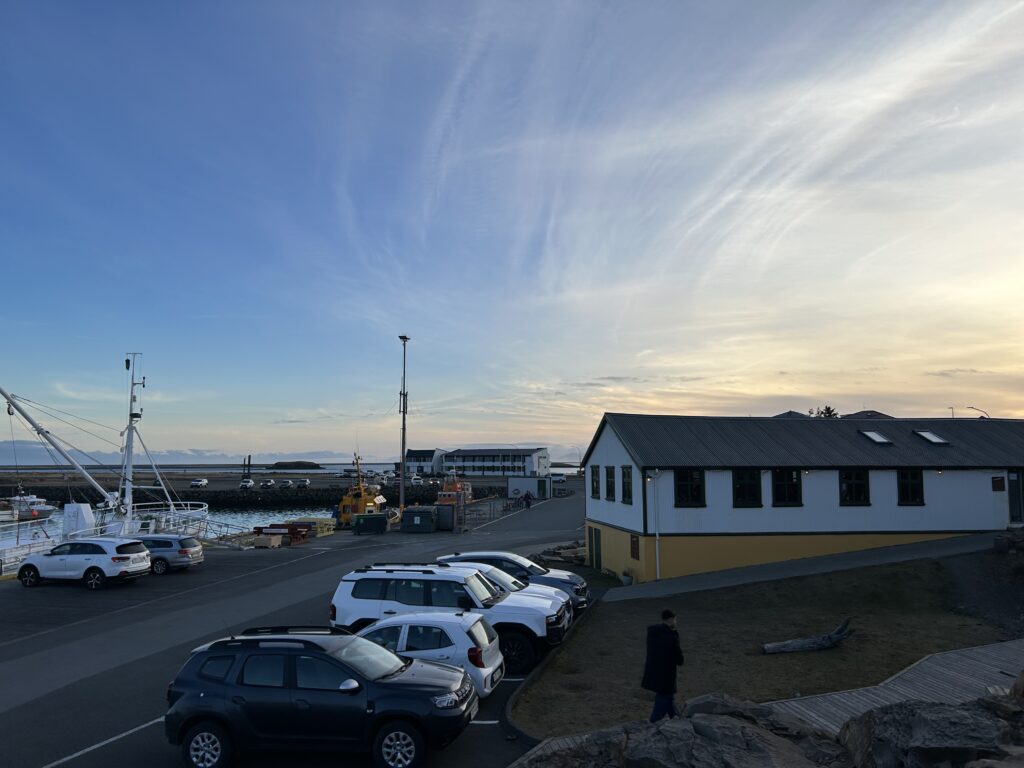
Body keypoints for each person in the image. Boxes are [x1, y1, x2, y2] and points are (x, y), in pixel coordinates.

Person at [641, 608, 684, 722]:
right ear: (670, 619)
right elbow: (680, 660)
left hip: (653, 673)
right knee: (662, 700)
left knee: (668, 698)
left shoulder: (653, 632)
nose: (676, 622)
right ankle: (652, 725)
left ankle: (678, 720)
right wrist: (675, 637)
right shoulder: (671, 636)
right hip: (666, 675)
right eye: (675, 620)